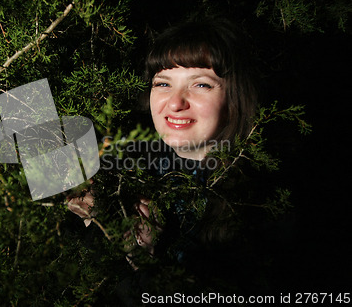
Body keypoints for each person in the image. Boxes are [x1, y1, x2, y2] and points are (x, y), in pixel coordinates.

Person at [68, 17, 258, 257]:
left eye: (201, 85)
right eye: (163, 84)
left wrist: (146, 261)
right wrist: (95, 220)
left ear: (234, 98)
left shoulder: (257, 201)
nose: (176, 102)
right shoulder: (129, 157)